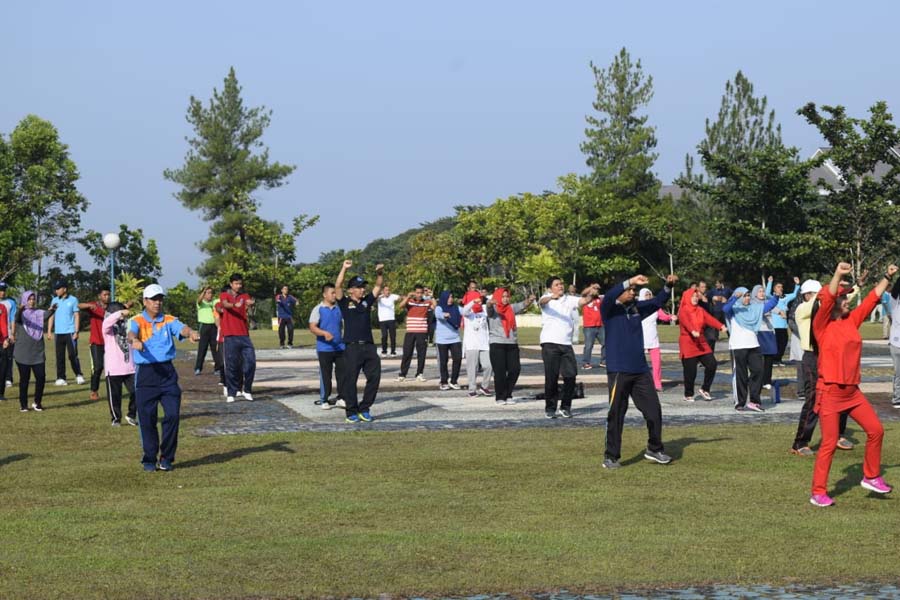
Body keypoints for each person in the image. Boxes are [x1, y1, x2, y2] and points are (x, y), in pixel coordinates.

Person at [807, 262, 895, 507]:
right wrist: (837, 274)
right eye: (844, 299)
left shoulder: (851, 320)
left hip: (852, 392)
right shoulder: (822, 325)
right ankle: (818, 492)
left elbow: (871, 299)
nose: (848, 301)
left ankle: (871, 476)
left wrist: (886, 277)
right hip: (830, 392)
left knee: (876, 430)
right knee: (829, 443)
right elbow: (828, 297)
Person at [600, 273, 677, 469]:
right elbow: (610, 295)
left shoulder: (636, 308)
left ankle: (654, 448)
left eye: (634, 291)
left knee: (653, 410)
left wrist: (668, 286)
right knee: (616, 413)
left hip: (640, 369)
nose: (633, 293)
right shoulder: (609, 309)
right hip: (619, 369)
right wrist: (629, 281)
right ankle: (611, 456)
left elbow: (658, 301)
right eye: (629, 290)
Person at [128, 284, 200, 472]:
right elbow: (131, 333)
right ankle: (149, 458)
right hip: (146, 375)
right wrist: (135, 341)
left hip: (167, 373)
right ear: (145, 301)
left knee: (172, 415)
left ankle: (166, 457)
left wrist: (191, 332)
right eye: (153, 299)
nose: (157, 303)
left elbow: (182, 328)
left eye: (160, 299)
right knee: (147, 418)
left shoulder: (168, 320)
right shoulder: (136, 320)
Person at [790, 279, 851, 455]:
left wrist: (853, 287)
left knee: (842, 393)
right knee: (813, 400)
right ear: (807, 295)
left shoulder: (822, 305)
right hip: (812, 357)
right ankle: (800, 442)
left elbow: (839, 299)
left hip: (829, 356)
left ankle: (838, 434)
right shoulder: (803, 309)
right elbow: (825, 301)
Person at [335, 259, 384, 423]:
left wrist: (379, 273)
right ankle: (351, 411)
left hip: (369, 346)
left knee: (375, 377)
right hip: (352, 347)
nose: (362, 289)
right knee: (351, 380)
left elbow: (378, 287)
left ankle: (365, 408)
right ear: (351, 290)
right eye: (359, 287)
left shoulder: (366, 301)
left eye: (363, 287)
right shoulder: (344, 302)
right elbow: (337, 286)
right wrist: (344, 268)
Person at [539, 277, 590, 419]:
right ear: (550, 288)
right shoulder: (546, 298)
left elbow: (584, 301)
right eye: (556, 285)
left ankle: (565, 407)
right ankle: (550, 408)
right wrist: (551, 298)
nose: (560, 286)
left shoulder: (568, 299)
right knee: (551, 377)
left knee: (571, 376)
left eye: (561, 284)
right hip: (550, 343)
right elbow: (541, 302)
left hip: (566, 344)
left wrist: (591, 293)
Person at [723, 286, 778, 412]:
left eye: (748, 295)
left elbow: (767, 307)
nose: (747, 298)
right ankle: (740, 402)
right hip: (738, 346)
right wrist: (734, 298)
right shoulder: (734, 309)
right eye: (745, 295)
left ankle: (754, 401)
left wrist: (776, 297)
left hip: (753, 345)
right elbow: (725, 309)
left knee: (758, 371)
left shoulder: (754, 308)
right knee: (740, 375)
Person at [677, 288, 728, 402]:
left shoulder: (700, 310)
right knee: (690, 371)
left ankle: (705, 389)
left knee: (712, 364)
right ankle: (688, 394)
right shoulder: (683, 310)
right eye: (693, 296)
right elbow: (686, 321)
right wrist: (692, 331)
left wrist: (720, 326)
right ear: (687, 298)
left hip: (700, 341)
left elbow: (709, 319)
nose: (695, 298)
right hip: (688, 342)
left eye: (696, 296)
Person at [485, 288, 534, 405]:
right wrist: (490, 303)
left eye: (507, 296)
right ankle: (500, 397)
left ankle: (508, 393)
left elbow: (523, 305)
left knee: (515, 369)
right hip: (497, 343)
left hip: (512, 343)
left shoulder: (511, 308)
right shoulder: (494, 310)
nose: (505, 298)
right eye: (503, 296)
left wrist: (530, 300)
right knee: (500, 371)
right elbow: (489, 308)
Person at [10, 291, 53, 411]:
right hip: (22, 353)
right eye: (29, 299)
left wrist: (52, 310)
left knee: (41, 377)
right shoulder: (20, 315)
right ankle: (23, 405)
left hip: (37, 352)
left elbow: (46, 315)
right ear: (24, 300)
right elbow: (17, 317)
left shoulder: (39, 313)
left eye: (33, 299)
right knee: (24, 380)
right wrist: (20, 309)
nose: (32, 301)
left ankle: (37, 403)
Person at [219, 274, 257, 403]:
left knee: (251, 362)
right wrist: (235, 304)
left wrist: (251, 303)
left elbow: (249, 301)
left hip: (244, 335)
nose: (238, 286)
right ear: (231, 284)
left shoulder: (244, 295)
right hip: (230, 335)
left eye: (240, 284)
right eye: (236, 284)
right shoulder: (225, 295)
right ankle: (231, 392)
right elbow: (225, 304)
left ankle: (247, 389)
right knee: (231, 365)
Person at [308, 283, 346, 409]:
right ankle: (324, 399)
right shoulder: (318, 309)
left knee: (342, 373)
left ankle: (341, 397)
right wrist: (324, 333)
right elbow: (312, 327)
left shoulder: (339, 308)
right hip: (324, 348)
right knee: (326, 374)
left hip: (340, 347)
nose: (335, 295)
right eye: (332, 293)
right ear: (325, 294)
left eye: (335, 293)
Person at [102, 302, 137, 426]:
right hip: (113, 369)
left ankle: (131, 414)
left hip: (130, 368)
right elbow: (108, 322)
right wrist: (120, 313)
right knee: (115, 397)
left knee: (137, 391)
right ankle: (116, 419)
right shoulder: (107, 328)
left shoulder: (129, 325)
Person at [47, 280, 85, 386]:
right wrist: (49, 331)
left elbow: (77, 315)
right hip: (58, 332)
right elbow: (51, 316)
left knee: (72, 355)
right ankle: (60, 377)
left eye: (58, 288)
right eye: (56, 289)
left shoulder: (73, 300)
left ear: (65, 289)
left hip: (70, 331)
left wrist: (76, 331)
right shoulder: (54, 300)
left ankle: (79, 375)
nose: (56, 291)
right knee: (59, 356)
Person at [78, 287, 111, 400]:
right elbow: (79, 305)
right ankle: (94, 390)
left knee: (111, 368)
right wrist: (89, 306)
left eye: (108, 295)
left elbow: (122, 310)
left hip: (110, 342)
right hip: (96, 342)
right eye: (104, 295)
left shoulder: (112, 307)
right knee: (98, 367)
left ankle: (112, 390)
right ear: (99, 296)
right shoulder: (94, 305)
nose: (107, 297)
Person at [639, 288, 675, 391]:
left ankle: (657, 384)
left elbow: (663, 316)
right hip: (640, 339)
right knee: (640, 363)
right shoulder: (638, 308)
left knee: (657, 363)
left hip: (653, 338)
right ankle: (641, 383)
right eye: (646, 295)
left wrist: (670, 317)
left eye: (650, 294)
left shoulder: (655, 307)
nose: (649, 296)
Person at [397, 285, 434, 382]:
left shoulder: (426, 302)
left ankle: (419, 373)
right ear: (415, 293)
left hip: (422, 332)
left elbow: (436, 307)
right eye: (417, 293)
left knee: (421, 354)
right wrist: (408, 296)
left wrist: (431, 296)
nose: (419, 295)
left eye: (421, 293)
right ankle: (402, 374)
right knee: (407, 353)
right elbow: (400, 306)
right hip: (410, 332)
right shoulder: (410, 302)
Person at [461, 289, 492, 397]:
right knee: (472, 368)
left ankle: (484, 386)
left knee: (488, 366)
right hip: (471, 344)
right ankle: (472, 388)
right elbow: (464, 310)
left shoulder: (484, 310)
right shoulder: (469, 313)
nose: (478, 303)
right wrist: (473, 302)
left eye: (479, 300)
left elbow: (490, 305)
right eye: (476, 300)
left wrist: (486, 299)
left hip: (484, 343)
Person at [766, 276, 800, 366]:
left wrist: (797, 284)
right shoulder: (771, 297)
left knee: (784, 343)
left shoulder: (785, 297)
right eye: (778, 287)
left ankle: (779, 359)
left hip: (784, 326)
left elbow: (795, 294)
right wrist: (770, 282)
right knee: (776, 343)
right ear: (774, 289)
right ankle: (774, 360)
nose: (780, 288)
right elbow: (766, 293)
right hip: (775, 325)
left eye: (781, 287)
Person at [435, 290, 462, 390]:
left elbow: (465, 311)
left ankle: (454, 380)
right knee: (443, 361)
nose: (450, 299)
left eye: (451, 297)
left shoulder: (456, 308)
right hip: (442, 340)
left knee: (458, 359)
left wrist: (473, 304)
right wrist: (444, 315)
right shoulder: (439, 307)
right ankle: (444, 381)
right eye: (449, 297)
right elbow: (438, 315)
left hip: (455, 339)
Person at [194, 286, 222, 375]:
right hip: (204, 326)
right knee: (202, 348)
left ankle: (217, 369)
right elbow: (199, 299)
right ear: (204, 294)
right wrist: (203, 291)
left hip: (214, 326)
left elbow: (222, 299)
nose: (210, 295)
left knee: (215, 349)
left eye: (211, 293)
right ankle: (198, 368)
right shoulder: (201, 303)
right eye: (208, 293)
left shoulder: (215, 302)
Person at [581, 283, 605, 369]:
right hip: (589, 326)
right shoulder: (585, 299)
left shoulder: (599, 299)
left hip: (600, 325)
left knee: (605, 343)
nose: (596, 291)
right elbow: (583, 293)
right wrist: (591, 288)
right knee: (588, 345)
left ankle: (604, 361)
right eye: (594, 289)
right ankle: (586, 363)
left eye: (597, 290)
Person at [706, 279, 732, 355]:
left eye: (718, 283)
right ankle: (710, 353)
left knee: (729, 330)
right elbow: (707, 295)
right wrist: (712, 298)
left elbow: (734, 295)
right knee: (713, 333)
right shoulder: (713, 290)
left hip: (725, 313)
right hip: (716, 313)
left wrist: (727, 300)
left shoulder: (727, 290)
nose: (716, 285)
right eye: (715, 283)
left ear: (721, 283)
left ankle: (734, 350)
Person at [0, 281, 17, 388]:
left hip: (8, 334)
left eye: (3, 290)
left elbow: (12, 319)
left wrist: (12, 334)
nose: (2, 293)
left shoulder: (11, 302)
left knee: (8, 357)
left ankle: (8, 378)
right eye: (0, 290)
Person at [377, 285, 400, 357]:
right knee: (384, 335)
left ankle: (393, 351)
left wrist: (400, 298)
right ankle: (384, 351)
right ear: (383, 291)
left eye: (388, 290)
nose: (388, 291)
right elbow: (375, 299)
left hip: (391, 319)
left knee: (393, 336)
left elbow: (400, 298)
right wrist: (381, 296)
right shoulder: (380, 298)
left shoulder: (392, 296)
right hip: (382, 320)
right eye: (386, 290)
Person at [889, 276, 900, 409]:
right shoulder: (894, 303)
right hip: (896, 343)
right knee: (898, 373)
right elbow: (894, 292)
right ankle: (897, 398)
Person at [0, 298, 8, 402]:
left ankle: (1, 393)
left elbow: (3, 323)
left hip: (2, 342)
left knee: (3, 368)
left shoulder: (2, 308)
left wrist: (6, 338)